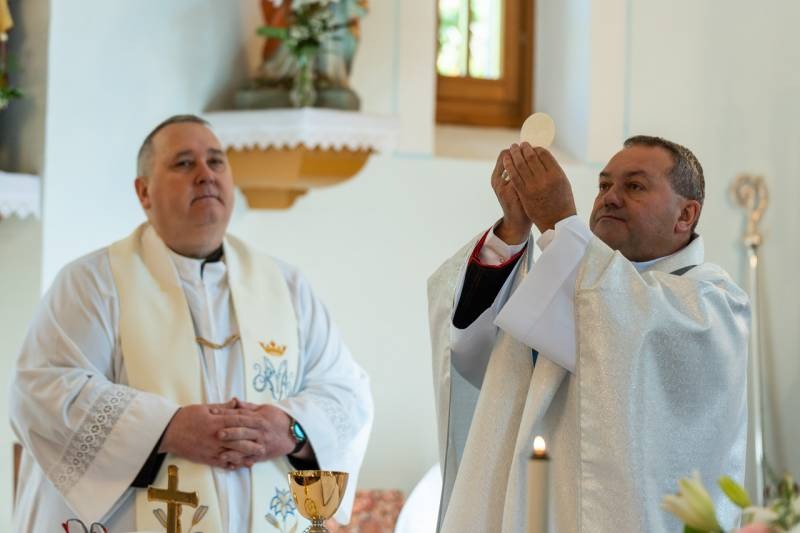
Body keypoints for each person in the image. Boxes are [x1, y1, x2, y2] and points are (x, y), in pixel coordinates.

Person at [10, 115, 373, 532]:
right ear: (144, 192)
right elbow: (43, 392)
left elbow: (347, 393)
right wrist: (166, 428)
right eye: (184, 163)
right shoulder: (93, 283)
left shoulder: (286, 287)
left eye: (216, 161)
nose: (205, 174)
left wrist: (291, 428)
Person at [428, 136, 750, 532]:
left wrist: (558, 225)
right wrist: (513, 230)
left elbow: (627, 329)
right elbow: (471, 354)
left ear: (686, 214)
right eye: (603, 185)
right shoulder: (562, 282)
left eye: (634, 186)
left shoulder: (712, 305)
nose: (610, 198)